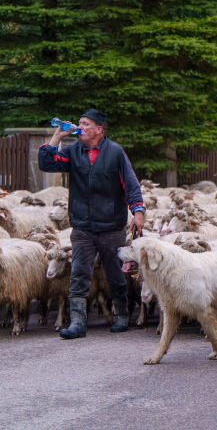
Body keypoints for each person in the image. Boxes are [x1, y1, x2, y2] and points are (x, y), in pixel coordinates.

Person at [38, 109, 145, 339]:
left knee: (114, 272)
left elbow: (130, 183)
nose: (80, 127)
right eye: (79, 123)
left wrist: (137, 211)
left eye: (86, 124)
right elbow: (47, 163)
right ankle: (78, 323)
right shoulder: (73, 150)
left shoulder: (115, 152)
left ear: (99, 129)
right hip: (82, 225)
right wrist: (57, 136)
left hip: (111, 224)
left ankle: (122, 315)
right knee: (78, 272)